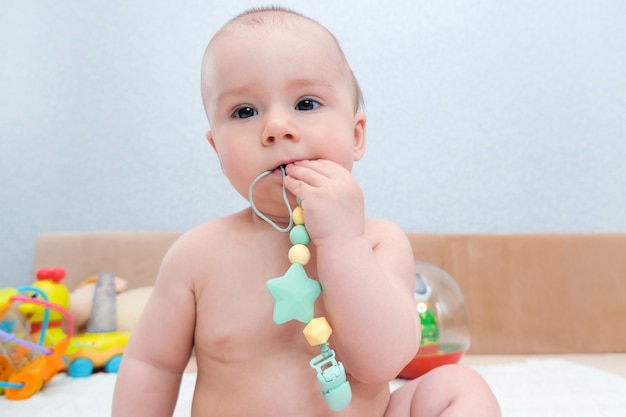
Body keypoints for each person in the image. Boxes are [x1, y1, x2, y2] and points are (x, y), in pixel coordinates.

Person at [112, 6, 500, 417]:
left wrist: (342, 242)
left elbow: (382, 363)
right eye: (245, 111)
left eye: (306, 103)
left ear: (355, 136)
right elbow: (151, 364)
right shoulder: (196, 255)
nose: (277, 127)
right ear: (217, 149)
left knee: (460, 388)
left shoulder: (377, 242)